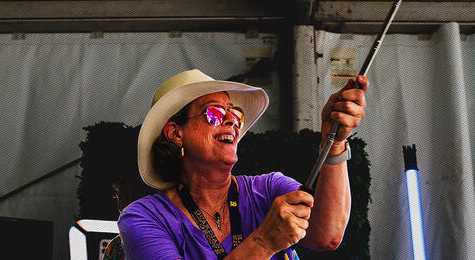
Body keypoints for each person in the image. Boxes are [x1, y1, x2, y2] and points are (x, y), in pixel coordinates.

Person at [117, 69, 367, 259]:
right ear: (175, 133)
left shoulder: (269, 188)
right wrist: (263, 243)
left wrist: (334, 143)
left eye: (236, 115)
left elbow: (327, 235)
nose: (231, 121)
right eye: (213, 113)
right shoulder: (144, 217)